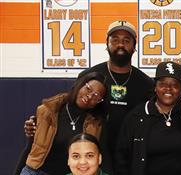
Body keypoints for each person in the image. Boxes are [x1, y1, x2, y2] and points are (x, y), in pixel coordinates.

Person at [24, 20, 155, 156]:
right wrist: (38, 124)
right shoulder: (88, 76)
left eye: (126, 41)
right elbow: (68, 110)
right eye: (115, 40)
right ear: (107, 43)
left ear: (134, 46)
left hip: (130, 154)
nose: (120, 44)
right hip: (92, 153)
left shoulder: (146, 84)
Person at [5, 72, 108, 175]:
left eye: (96, 96)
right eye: (88, 89)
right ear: (79, 84)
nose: (90, 96)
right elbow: (30, 149)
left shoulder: (97, 124)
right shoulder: (47, 111)